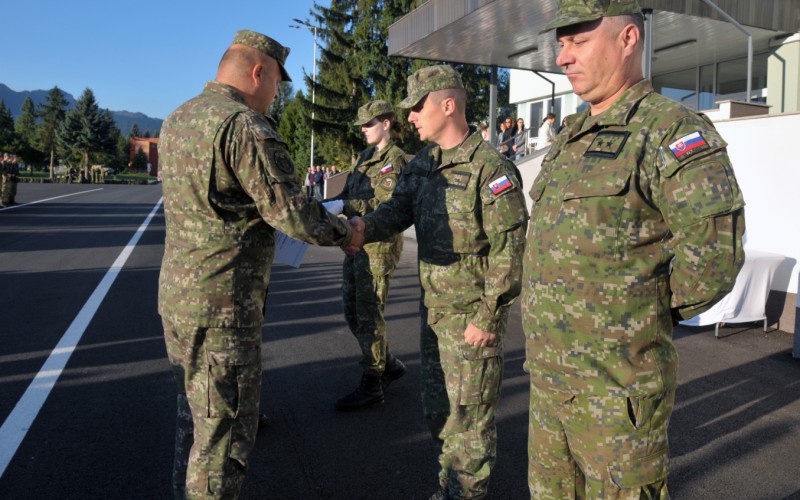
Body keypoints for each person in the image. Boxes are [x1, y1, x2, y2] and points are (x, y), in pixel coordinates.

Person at [523, 1, 746, 497]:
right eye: (561, 44)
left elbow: (714, 258)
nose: (563, 57)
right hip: (549, 386)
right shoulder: (570, 137)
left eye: (578, 41)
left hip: (616, 396)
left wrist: (642, 315)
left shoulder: (669, 130)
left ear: (628, 40)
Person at [158, 29, 361, 500]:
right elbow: (291, 211)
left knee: (195, 423)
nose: (275, 95)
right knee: (224, 437)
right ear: (258, 72)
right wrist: (346, 232)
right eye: (276, 85)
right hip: (223, 307)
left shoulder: (178, 118)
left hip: (180, 300)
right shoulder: (243, 126)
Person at [347, 65, 529, 499]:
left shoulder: (491, 169)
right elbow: (394, 212)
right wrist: (358, 228)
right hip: (435, 317)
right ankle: (447, 489)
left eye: (418, 107)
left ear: (448, 106)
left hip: (471, 322)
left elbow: (510, 251)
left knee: (470, 424)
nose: (410, 117)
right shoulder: (425, 165)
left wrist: (487, 317)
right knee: (439, 414)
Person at [323, 100, 408, 411]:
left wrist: (348, 209)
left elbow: (387, 204)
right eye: (361, 124)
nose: (362, 129)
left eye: (369, 123)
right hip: (357, 240)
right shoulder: (364, 157)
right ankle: (389, 365)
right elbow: (349, 196)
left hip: (379, 245)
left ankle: (373, 382)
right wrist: (332, 207)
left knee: (370, 312)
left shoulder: (393, 160)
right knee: (352, 311)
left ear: (386, 123)